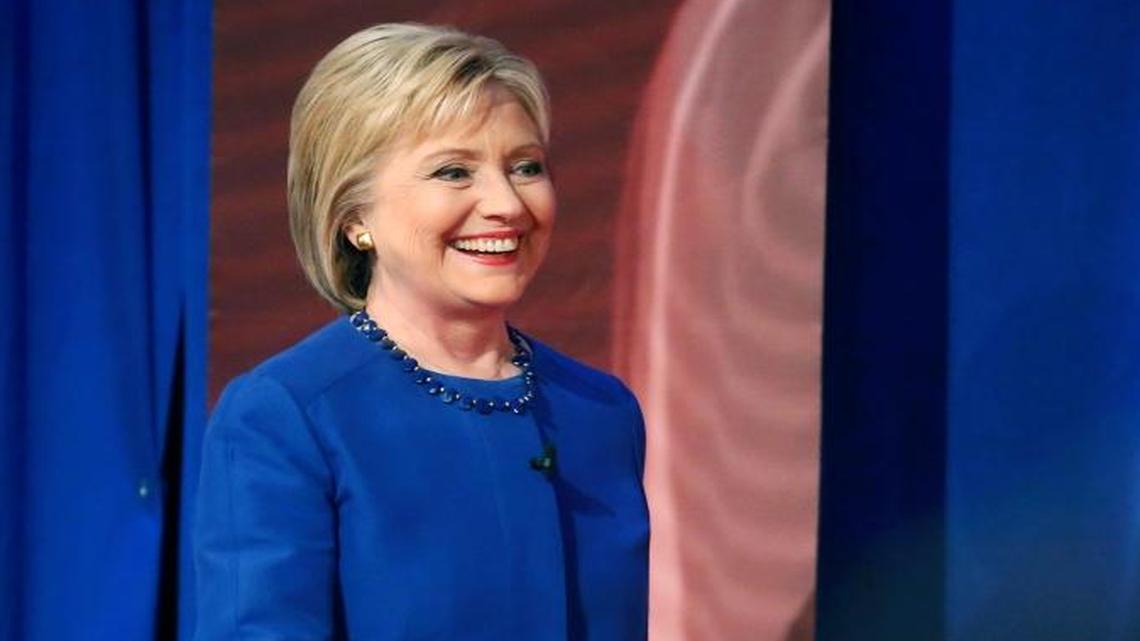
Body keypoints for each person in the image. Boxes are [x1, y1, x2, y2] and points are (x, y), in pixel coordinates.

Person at [193, 23, 649, 641]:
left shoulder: (600, 411)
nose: (507, 205)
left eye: (525, 166)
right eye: (454, 173)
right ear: (355, 217)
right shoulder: (286, 415)